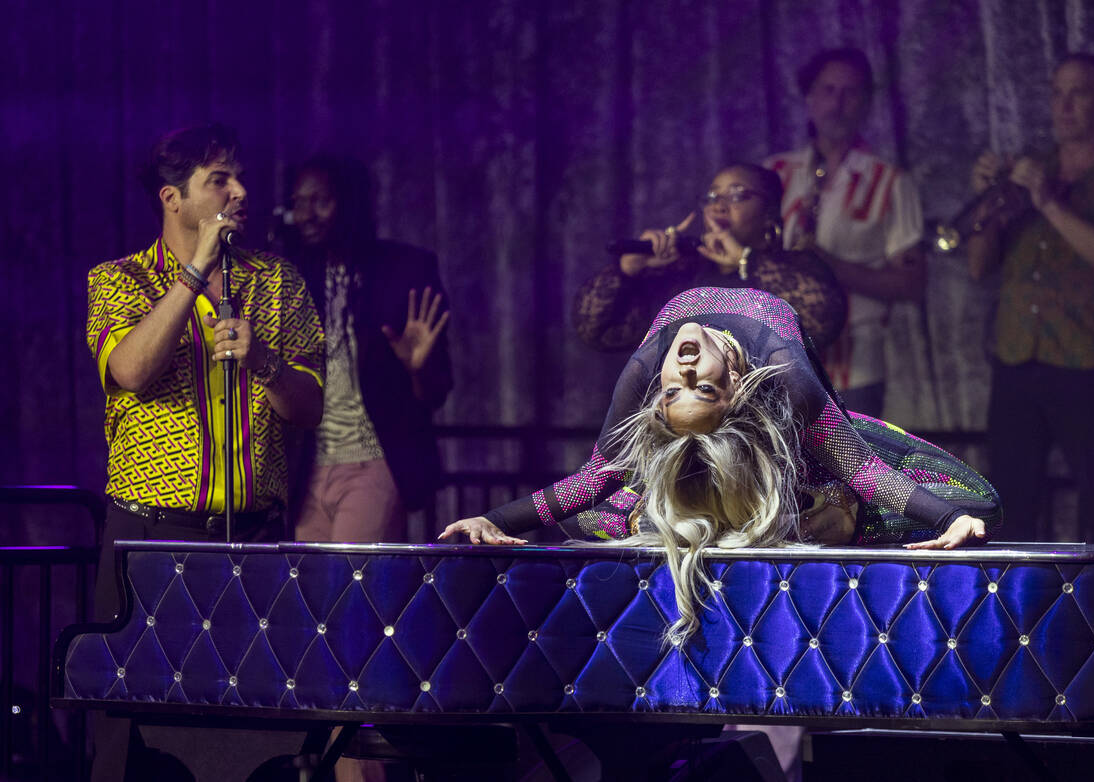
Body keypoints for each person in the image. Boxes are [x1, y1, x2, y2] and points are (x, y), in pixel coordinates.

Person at [441, 287, 1000, 645]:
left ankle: (820, 517)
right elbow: (595, 480)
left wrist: (947, 514)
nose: (680, 367)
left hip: (813, 457)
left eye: (680, 388)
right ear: (731, 386)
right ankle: (759, 522)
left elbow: (863, 473)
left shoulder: (654, 373)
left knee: (980, 504)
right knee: (605, 520)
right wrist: (495, 521)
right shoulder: (781, 377)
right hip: (776, 472)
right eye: (695, 387)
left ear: (737, 386)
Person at [84, 124, 325, 780]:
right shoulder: (119, 280)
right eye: (219, 179)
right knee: (129, 726)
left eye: (239, 176)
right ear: (173, 198)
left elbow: (311, 408)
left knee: (254, 734)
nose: (240, 190)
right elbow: (130, 369)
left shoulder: (276, 282)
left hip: (254, 538)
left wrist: (265, 361)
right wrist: (194, 276)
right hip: (149, 539)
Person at [965, 53, 1094, 543]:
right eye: (1056, 93)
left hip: (1086, 362)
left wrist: (1047, 201)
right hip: (1016, 358)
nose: (1064, 105)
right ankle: (1012, 609)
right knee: (1007, 502)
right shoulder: (1028, 169)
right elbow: (977, 265)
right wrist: (986, 201)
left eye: (1080, 93)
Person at [283, 154, 452, 545]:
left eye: (319, 200)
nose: (305, 214)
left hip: (373, 461)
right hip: (304, 469)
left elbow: (437, 390)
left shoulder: (403, 268)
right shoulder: (287, 275)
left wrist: (416, 368)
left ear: (349, 202)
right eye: (297, 202)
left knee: (353, 591)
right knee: (309, 596)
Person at [763, 47, 926, 417]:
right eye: (828, 90)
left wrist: (829, 266)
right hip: (774, 359)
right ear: (808, 98)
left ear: (867, 103)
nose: (838, 103)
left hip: (856, 368)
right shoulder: (773, 174)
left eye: (851, 92)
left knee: (851, 473)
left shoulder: (891, 182)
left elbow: (913, 284)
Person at [573, 163, 847, 354]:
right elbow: (595, 331)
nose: (719, 204)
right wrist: (628, 269)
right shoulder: (682, 272)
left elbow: (824, 323)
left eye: (738, 195)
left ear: (769, 214)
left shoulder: (796, 268)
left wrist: (744, 261)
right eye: (713, 196)